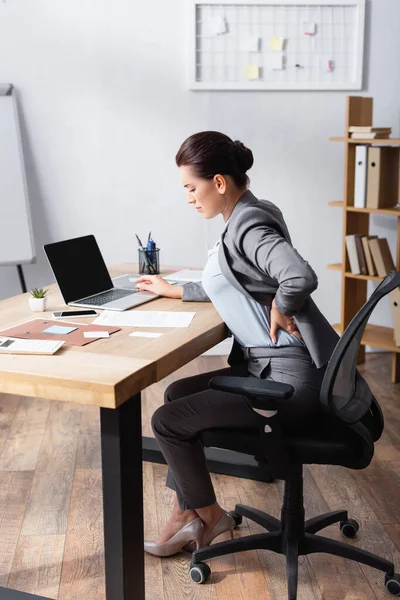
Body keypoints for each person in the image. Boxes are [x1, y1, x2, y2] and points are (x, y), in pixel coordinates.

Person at [135, 131, 340, 557]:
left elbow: (298, 276)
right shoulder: (250, 212)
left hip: (288, 384)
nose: (189, 198)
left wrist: (283, 306)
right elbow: (235, 278)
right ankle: (187, 513)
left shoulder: (248, 225)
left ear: (220, 182)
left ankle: (208, 516)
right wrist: (176, 290)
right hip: (279, 368)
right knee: (177, 394)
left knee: (168, 420)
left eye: (192, 188)